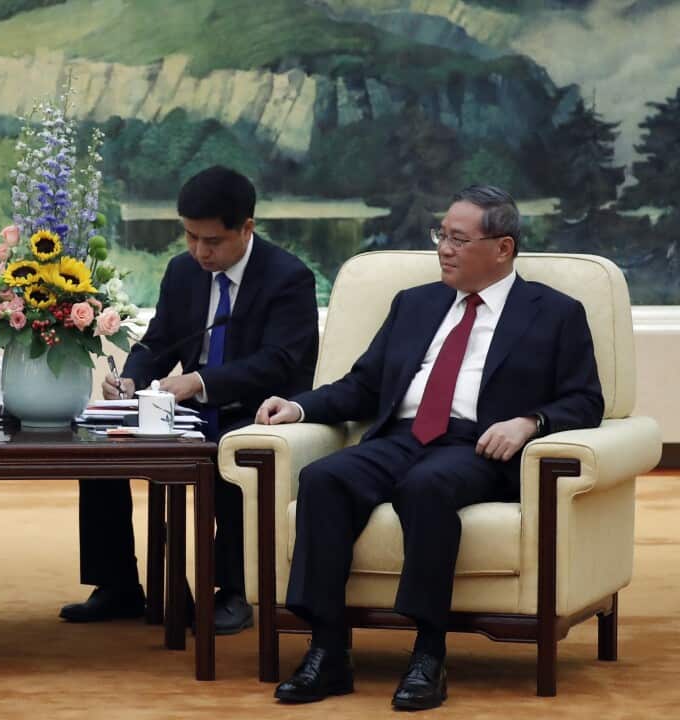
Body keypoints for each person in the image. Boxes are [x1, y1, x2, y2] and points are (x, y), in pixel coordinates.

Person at [256, 185, 603, 710]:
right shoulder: (415, 303)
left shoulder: (555, 312)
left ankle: (428, 654)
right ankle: (327, 650)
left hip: (477, 445)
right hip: (401, 435)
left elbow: (586, 400)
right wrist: (300, 407)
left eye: (459, 239)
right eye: (441, 235)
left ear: (503, 248)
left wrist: (530, 422)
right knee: (323, 479)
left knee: (427, 487)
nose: (444, 248)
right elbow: (364, 385)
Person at [60, 166, 320, 635]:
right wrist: (132, 380)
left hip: (258, 411)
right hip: (189, 409)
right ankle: (117, 585)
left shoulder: (288, 277)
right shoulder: (183, 271)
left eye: (213, 241)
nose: (200, 251)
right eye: (191, 236)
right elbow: (159, 341)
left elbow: (279, 362)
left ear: (246, 228)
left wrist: (198, 381)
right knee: (100, 451)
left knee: (234, 452)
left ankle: (234, 591)